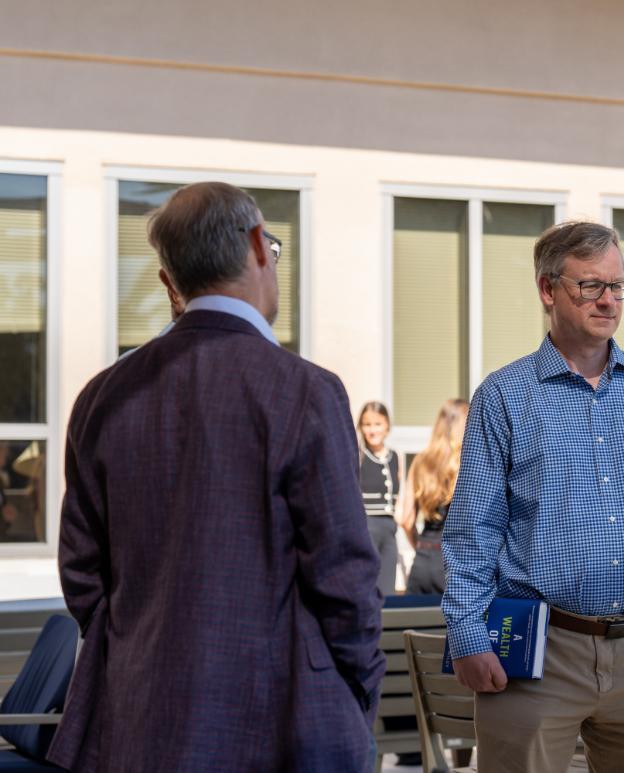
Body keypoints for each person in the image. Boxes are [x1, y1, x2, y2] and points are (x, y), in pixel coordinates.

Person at [50, 181, 386, 772]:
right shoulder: (305, 391)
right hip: (284, 723)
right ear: (257, 245)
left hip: (138, 724)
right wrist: (357, 695)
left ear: (169, 283)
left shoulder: (102, 398)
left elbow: (83, 576)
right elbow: (345, 578)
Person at [442, 221, 624, 772]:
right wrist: (467, 633)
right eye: (591, 286)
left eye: (617, 286)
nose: (608, 300)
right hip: (536, 652)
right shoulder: (504, 395)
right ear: (548, 289)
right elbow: (473, 530)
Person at [398, 398, 468, 595]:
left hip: (422, 561)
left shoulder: (420, 461)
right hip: (452, 562)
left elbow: (405, 519)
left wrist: (421, 546)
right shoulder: (466, 461)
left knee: (415, 616)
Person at [358, 400, 405, 595]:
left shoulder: (395, 456)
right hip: (367, 526)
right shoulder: (359, 456)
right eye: (367, 424)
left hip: (390, 529)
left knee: (387, 590)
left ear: (387, 426)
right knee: (366, 586)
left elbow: (401, 494)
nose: (372, 430)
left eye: (377, 424)